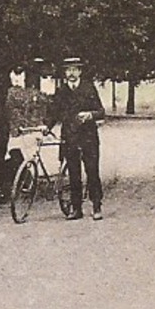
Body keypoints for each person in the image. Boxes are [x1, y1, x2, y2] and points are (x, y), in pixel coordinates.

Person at [43, 55, 106, 220]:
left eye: (74, 70)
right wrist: (46, 126)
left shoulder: (89, 88)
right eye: (68, 70)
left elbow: (101, 111)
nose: (71, 73)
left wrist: (90, 115)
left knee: (92, 171)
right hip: (69, 137)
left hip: (89, 137)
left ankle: (96, 206)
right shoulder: (61, 91)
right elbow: (54, 113)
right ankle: (76, 209)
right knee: (73, 173)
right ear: (64, 73)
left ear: (79, 71)